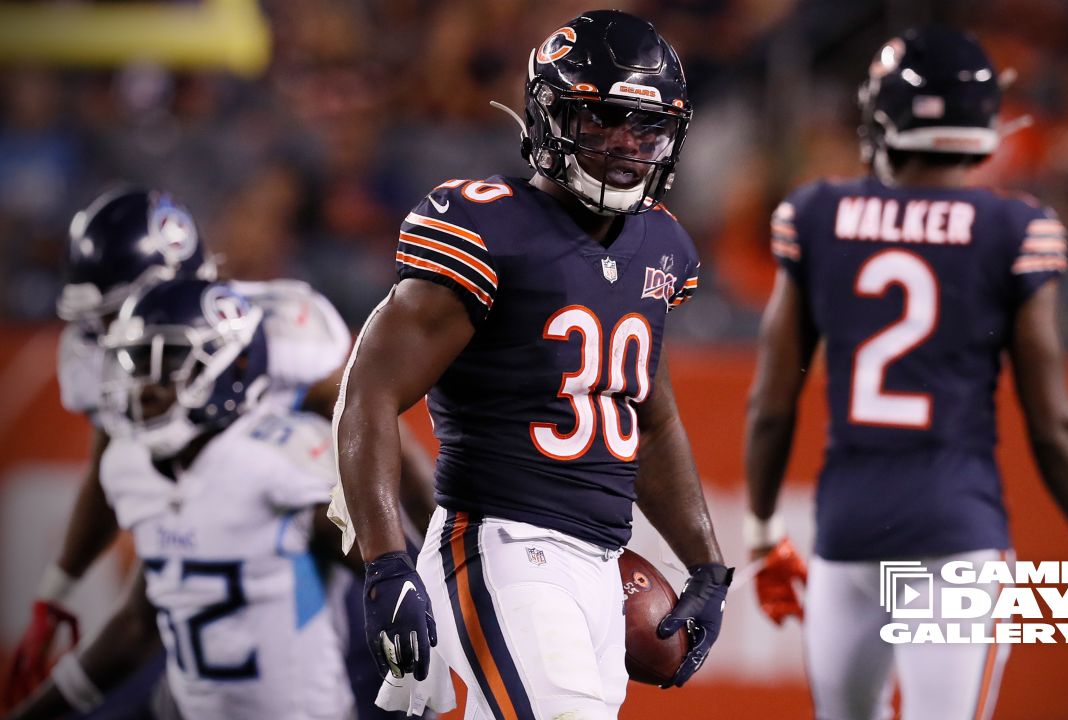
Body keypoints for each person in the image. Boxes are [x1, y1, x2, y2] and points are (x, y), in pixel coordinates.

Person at [329, 10, 731, 719]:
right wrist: (384, 563)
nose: (627, 146)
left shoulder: (662, 246)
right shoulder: (487, 226)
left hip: (601, 563)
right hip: (501, 546)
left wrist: (705, 562)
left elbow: (647, 413)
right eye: (603, 119)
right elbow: (368, 391)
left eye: (646, 128)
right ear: (550, 116)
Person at [743, 27, 1068, 720]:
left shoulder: (818, 213)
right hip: (954, 536)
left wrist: (765, 531)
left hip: (846, 537)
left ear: (886, 114)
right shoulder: (1015, 227)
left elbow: (771, 402)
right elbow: (1052, 419)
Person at [3, 187, 435, 719]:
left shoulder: (283, 336)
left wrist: (434, 558)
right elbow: (112, 456)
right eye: (100, 323)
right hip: (212, 557)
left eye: (117, 313)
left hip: (302, 552)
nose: (112, 338)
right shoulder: (115, 366)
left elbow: (374, 439)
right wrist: (58, 588)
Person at [6, 278, 358, 720]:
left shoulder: (281, 459)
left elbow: (390, 576)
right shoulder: (130, 467)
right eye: (135, 366)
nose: (144, 388)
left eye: (167, 362)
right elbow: (139, 624)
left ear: (232, 365)